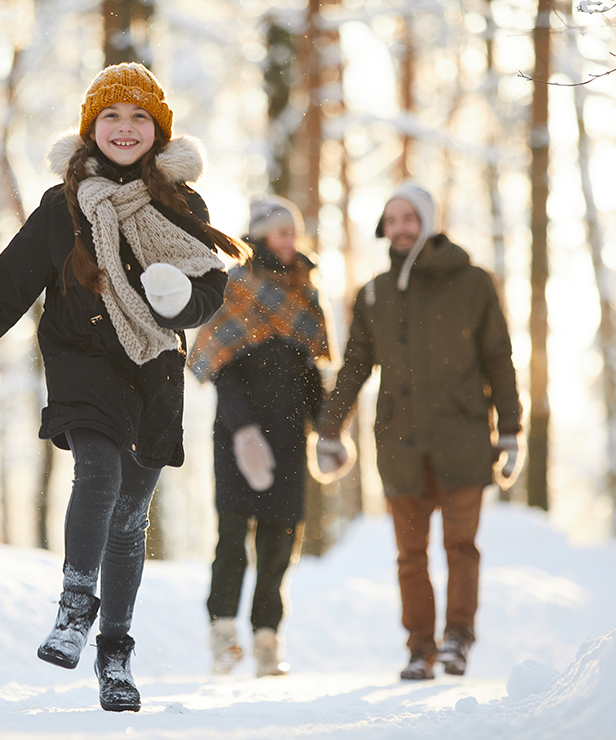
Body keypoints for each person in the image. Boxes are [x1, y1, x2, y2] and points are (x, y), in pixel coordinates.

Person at [0, 62, 248, 712]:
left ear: (158, 132)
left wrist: (180, 302)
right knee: (98, 473)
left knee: (130, 519)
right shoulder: (62, 208)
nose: (125, 127)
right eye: (111, 116)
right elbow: (4, 291)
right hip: (83, 364)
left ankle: (115, 654)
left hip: (155, 371)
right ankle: (75, 606)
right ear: (91, 129)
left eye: (139, 117)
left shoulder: (181, 204)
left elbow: (208, 292)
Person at [315, 183, 521, 681]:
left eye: (410, 218)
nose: (400, 227)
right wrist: (329, 429)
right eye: (393, 219)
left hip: (464, 440)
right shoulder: (375, 292)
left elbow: (499, 359)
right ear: (384, 228)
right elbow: (355, 367)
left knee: (460, 547)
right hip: (400, 443)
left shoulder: (473, 283)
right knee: (410, 555)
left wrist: (511, 431)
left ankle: (457, 640)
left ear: (426, 223)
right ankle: (419, 647)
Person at [188, 196, 332, 677]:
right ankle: (223, 635)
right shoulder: (235, 288)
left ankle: (268, 640)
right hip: (236, 435)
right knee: (232, 540)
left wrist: (328, 431)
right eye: (280, 233)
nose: (289, 241)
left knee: (279, 544)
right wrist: (245, 432)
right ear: (260, 237)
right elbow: (220, 371)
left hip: (292, 437)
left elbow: (312, 374)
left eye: (293, 232)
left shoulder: (306, 292)